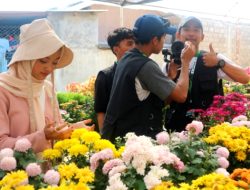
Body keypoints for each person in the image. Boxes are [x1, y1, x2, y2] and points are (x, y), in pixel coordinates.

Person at [0, 18, 93, 153]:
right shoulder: (3, 89)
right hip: (14, 172)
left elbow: (55, 132)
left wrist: (72, 129)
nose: (49, 68)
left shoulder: (47, 88)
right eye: (43, 61)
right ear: (26, 59)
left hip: (49, 171)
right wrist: (42, 137)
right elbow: (2, 144)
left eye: (55, 63)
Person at [101, 14, 196, 142]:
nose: (164, 41)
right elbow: (181, 95)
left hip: (120, 136)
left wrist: (170, 77)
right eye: (163, 37)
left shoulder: (127, 58)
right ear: (155, 40)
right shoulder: (146, 65)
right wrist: (185, 62)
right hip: (134, 143)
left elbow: (152, 100)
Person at [164, 16, 250, 132]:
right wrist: (171, 77)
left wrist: (219, 62)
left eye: (196, 30)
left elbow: (245, 78)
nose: (191, 34)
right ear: (178, 34)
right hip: (176, 128)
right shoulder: (171, 63)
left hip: (208, 129)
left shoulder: (212, 58)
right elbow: (164, 101)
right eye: (186, 29)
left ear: (202, 37)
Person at [94, 27, 135, 131]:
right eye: (130, 44)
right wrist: (105, 140)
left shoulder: (141, 73)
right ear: (116, 49)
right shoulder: (105, 76)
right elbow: (101, 112)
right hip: (116, 136)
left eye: (136, 43)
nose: (135, 47)